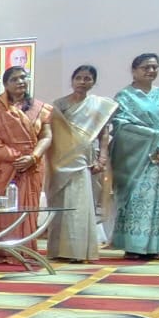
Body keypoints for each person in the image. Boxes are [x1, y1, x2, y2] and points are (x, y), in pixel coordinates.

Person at [109, 53, 159, 260]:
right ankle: (133, 246)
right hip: (135, 157)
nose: (151, 71)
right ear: (134, 71)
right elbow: (122, 127)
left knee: (158, 199)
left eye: (154, 67)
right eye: (145, 67)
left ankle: (155, 247)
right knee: (137, 198)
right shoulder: (125, 97)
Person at [48, 65, 116, 263]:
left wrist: (102, 157)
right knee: (60, 203)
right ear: (72, 80)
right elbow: (54, 135)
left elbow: (104, 133)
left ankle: (77, 251)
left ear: (93, 82)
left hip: (84, 159)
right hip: (60, 161)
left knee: (80, 202)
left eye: (87, 78)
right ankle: (58, 250)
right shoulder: (59, 105)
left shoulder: (99, 105)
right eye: (78, 78)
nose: (82, 82)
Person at [0, 66, 52, 249]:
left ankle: (25, 249)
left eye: (23, 77)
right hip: (3, 167)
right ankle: (1, 250)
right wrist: (15, 157)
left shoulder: (39, 108)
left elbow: (46, 136)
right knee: (4, 208)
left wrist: (33, 157)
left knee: (28, 207)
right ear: (5, 84)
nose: (20, 81)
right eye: (14, 79)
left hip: (32, 165)